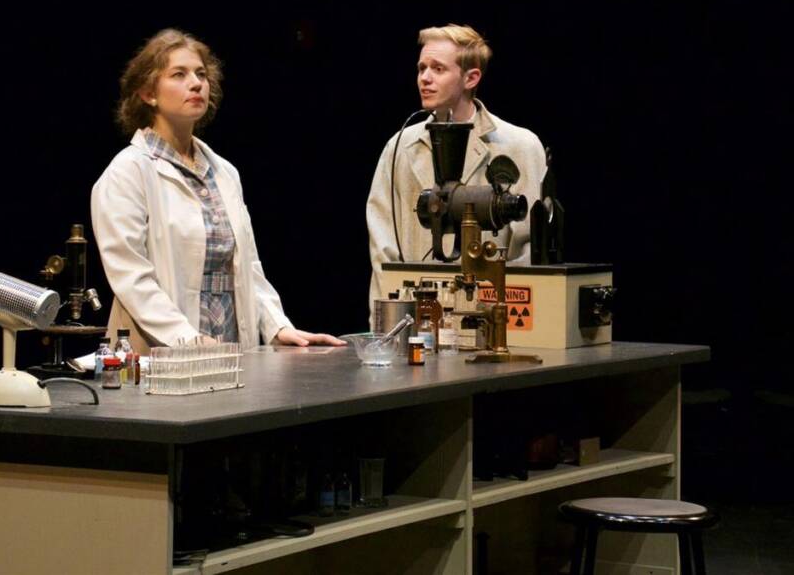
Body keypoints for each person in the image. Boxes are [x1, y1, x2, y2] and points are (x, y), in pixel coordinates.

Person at [92, 28, 343, 353]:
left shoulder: (223, 172)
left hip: (230, 345)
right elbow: (132, 278)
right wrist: (188, 339)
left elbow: (247, 267)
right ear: (147, 93)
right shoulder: (128, 173)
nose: (196, 83)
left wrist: (278, 326)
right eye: (179, 75)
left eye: (200, 74)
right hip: (161, 351)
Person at [366, 24, 548, 307]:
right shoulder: (400, 147)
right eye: (421, 68)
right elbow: (382, 248)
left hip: (491, 317)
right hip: (416, 321)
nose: (424, 78)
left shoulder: (519, 146)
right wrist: (385, 324)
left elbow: (527, 251)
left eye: (438, 69)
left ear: (471, 77)